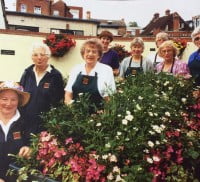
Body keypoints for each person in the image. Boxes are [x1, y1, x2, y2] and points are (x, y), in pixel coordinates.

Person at [20, 42, 64, 134]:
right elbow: (21, 96)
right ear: (32, 57)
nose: (39, 58)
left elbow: (59, 100)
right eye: (35, 55)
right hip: (27, 121)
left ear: (48, 57)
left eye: (42, 55)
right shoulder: (27, 74)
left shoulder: (55, 75)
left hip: (46, 124)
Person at [64, 38, 116, 109]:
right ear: (83, 54)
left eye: (94, 52)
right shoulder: (76, 69)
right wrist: (71, 109)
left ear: (99, 55)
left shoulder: (106, 70)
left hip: (98, 115)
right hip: (75, 113)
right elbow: (68, 94)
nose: (90, 54)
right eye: (87, 51)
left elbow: (110, 97)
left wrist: (104, 115)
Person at [0, 81, 31, 182]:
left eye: (13, 99)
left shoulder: (26, 121)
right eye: (4, 99)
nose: (8, 104)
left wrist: (29, 148)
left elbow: (32, 143)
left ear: (19, 101)